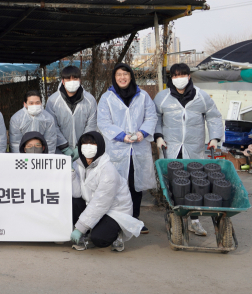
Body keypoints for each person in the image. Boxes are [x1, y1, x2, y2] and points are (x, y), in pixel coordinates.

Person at [154, 63, 224, 236]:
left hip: (194, 147)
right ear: (171, 78)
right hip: (170, 146)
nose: (179, 79)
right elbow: (155, 117)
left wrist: (214, 138)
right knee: (172, 184)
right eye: (176, 75)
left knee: (196, 183)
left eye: (183, 75)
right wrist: (158, 136)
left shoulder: (201, 96)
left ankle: (194, 221)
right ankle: (173, 216)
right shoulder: (162, 97)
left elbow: (214, 116)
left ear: (189, 76)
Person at [97, 63, 157, 234]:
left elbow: (151, 116)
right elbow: (103, 122)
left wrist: (142, 133)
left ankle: (135, 219)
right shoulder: (106, 98)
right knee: (116, 185)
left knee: (135, 185)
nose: (122, 77)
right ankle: (117, 220)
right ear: (114, 78)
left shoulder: (143, 96)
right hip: (117, 149)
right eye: (118, 75)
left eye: (125, 74)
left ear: (131, 76)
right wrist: (120, 135)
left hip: (138, 149)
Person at [70, 132, 144, 252]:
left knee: (99, 238)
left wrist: (80, 228)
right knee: (74, 202)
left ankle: (117, 233)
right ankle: (88, 230)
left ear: (100, 146)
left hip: (114, 210)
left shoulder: (107, 169)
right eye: (85, 143)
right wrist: (72, 172)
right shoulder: (78, 164)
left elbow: (101, 202)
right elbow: (77, 193)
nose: (88, 147)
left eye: (92, 144)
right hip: (93, 205)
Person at [45, 65, 98, 160]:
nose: (72, 82)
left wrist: (81, 145)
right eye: (68, 79)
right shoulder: (53, 101)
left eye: (75, 78)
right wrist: (64, 147)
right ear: (63, 81)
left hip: (84, 150)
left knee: (82, 174)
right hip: (59, 152)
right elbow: (52, 126)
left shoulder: (90, 100)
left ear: (80, 80)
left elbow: (91, 125)